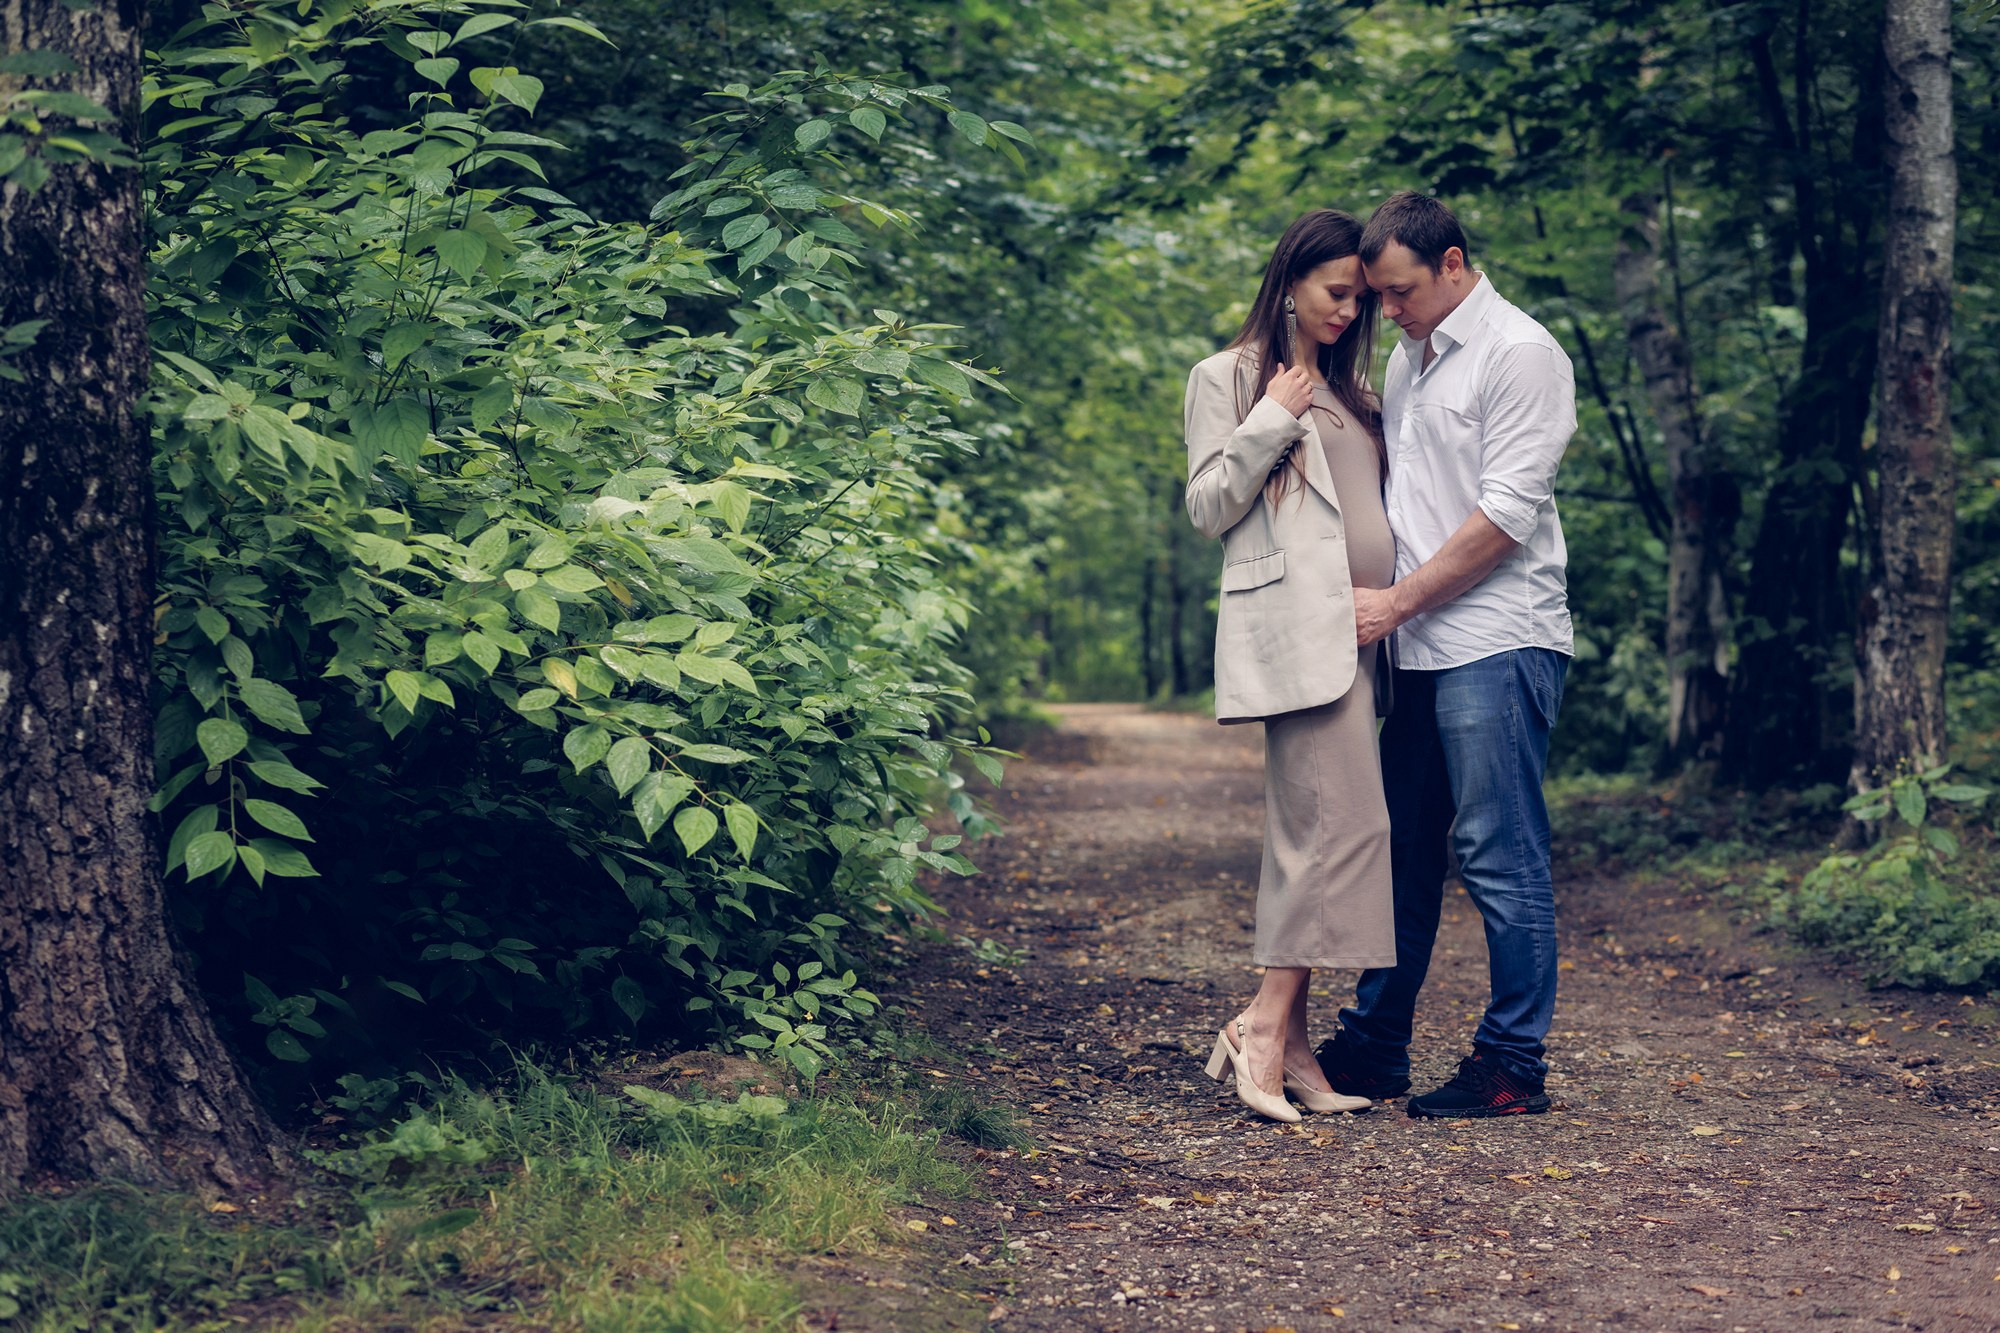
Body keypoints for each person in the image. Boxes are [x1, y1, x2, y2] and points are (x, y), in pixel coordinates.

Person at [1313, 190, 1576, 1119]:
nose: (1386, 309)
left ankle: (1512, 1065)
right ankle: (1376, 1045)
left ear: (1453, 263)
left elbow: (1505, 516)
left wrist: (1392, 603)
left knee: (1499, 854)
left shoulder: (1521, 353)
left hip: (1498, 639)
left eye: (1401, 290)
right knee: (1403, 852)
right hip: (1419, 646)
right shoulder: (1409, 357)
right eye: (1377, 294)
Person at [1183, 209, 1397, 1124]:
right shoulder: (1229, 378)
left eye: (1362, 300)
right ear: (1290, 282)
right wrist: (1273, 415)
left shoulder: (1357, 392)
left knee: (1321, 830)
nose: (1349, 310)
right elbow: (1207, 506)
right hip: (1302, 634)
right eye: (1337, 292)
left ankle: (1294, 1043)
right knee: (1335, 829)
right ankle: (1262, 1027)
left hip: (1371, 639)